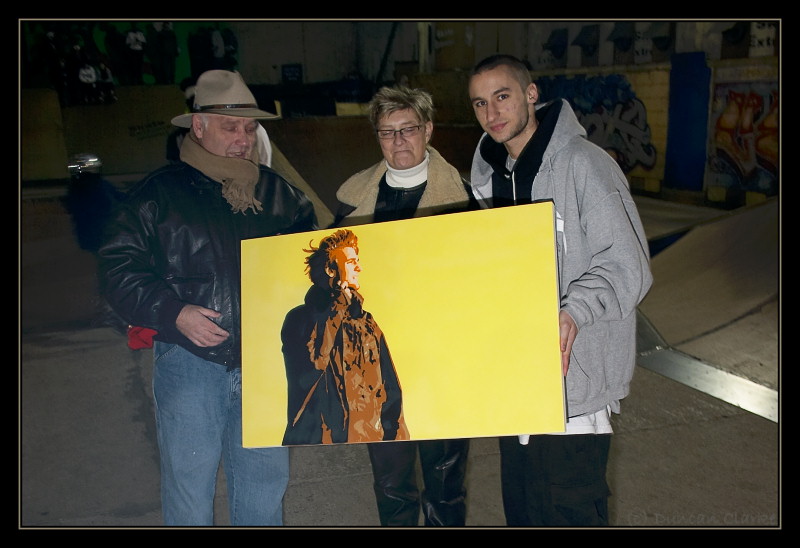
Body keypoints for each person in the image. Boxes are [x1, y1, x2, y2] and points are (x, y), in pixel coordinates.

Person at [96, 69, 319, 526]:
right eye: (230, 127)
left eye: (249, 129)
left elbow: (311, 267)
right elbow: (116, 268)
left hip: (265, 364)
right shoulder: (158, 195)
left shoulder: (280, 196)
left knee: (264, 485)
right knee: (190, 490)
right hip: (190, 363)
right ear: (197, 126)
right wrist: (173, 312)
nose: (242, 140)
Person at [467, 54, 653, 526]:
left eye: (503, 96)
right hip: (516, 384)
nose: (492, 113)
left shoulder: (584, 165)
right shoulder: (487, 179)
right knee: (524, 513)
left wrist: (574, 310)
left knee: (569, 514)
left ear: (531, 94)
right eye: (480, 103)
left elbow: (629, 265)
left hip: (575, 390)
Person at [333, 85, 474, 527]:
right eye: (386, 132)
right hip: (376, 362)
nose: (398, 141)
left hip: (442, 360)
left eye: (408, 129)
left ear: (428, 130)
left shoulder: (468, 197)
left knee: (445, 478)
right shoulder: (352, 198)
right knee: (390, 479)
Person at [281, 228, 409, 446]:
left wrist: (398, 441)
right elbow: (310, 369)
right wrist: (338, 306)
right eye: (351, 262)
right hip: (317, 442)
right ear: (330, 269)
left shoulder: (367, 323)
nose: (359, 268)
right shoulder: (300, 318)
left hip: (369, 440)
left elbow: (391, 391)